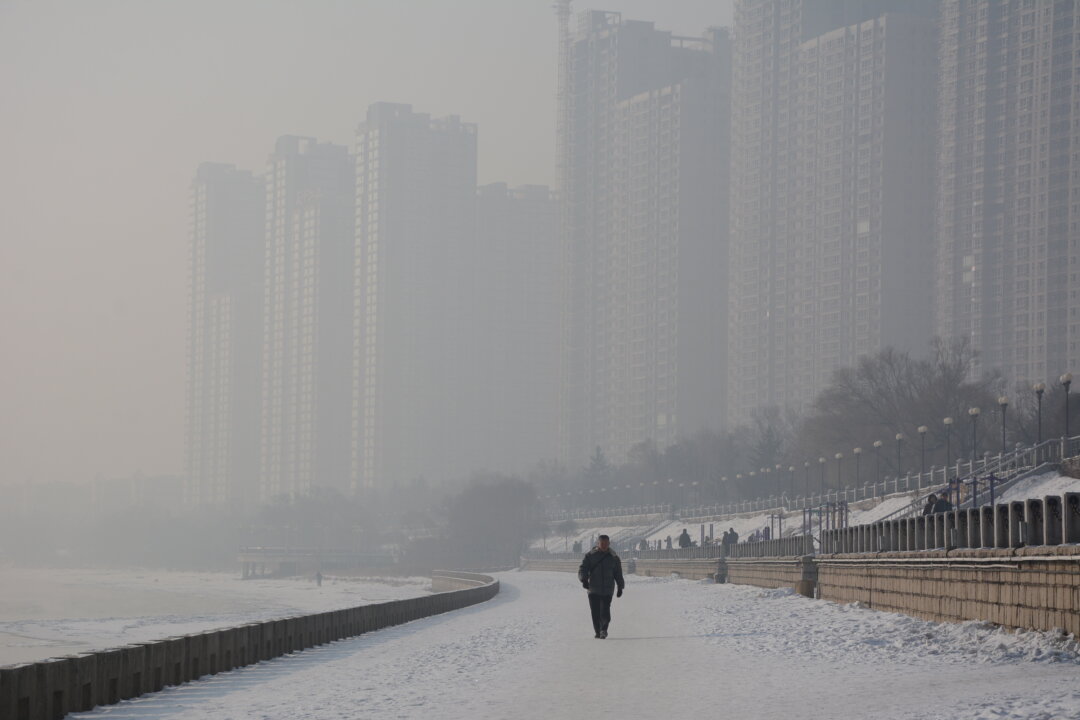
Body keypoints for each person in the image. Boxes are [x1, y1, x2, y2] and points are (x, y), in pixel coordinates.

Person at [577, 534, 625, 639]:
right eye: (602, 543)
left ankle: (604, 630)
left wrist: (620, 587)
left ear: (609, 543)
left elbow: (618, 573)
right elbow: (583, 568)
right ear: (598, 543)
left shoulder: (614, 557)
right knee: (595, 612)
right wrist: (584, 579)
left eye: (606, 543)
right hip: (593, 589)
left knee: (605, 611)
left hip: (607, 589)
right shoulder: (590, 556)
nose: (604, 545)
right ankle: (598, 631)